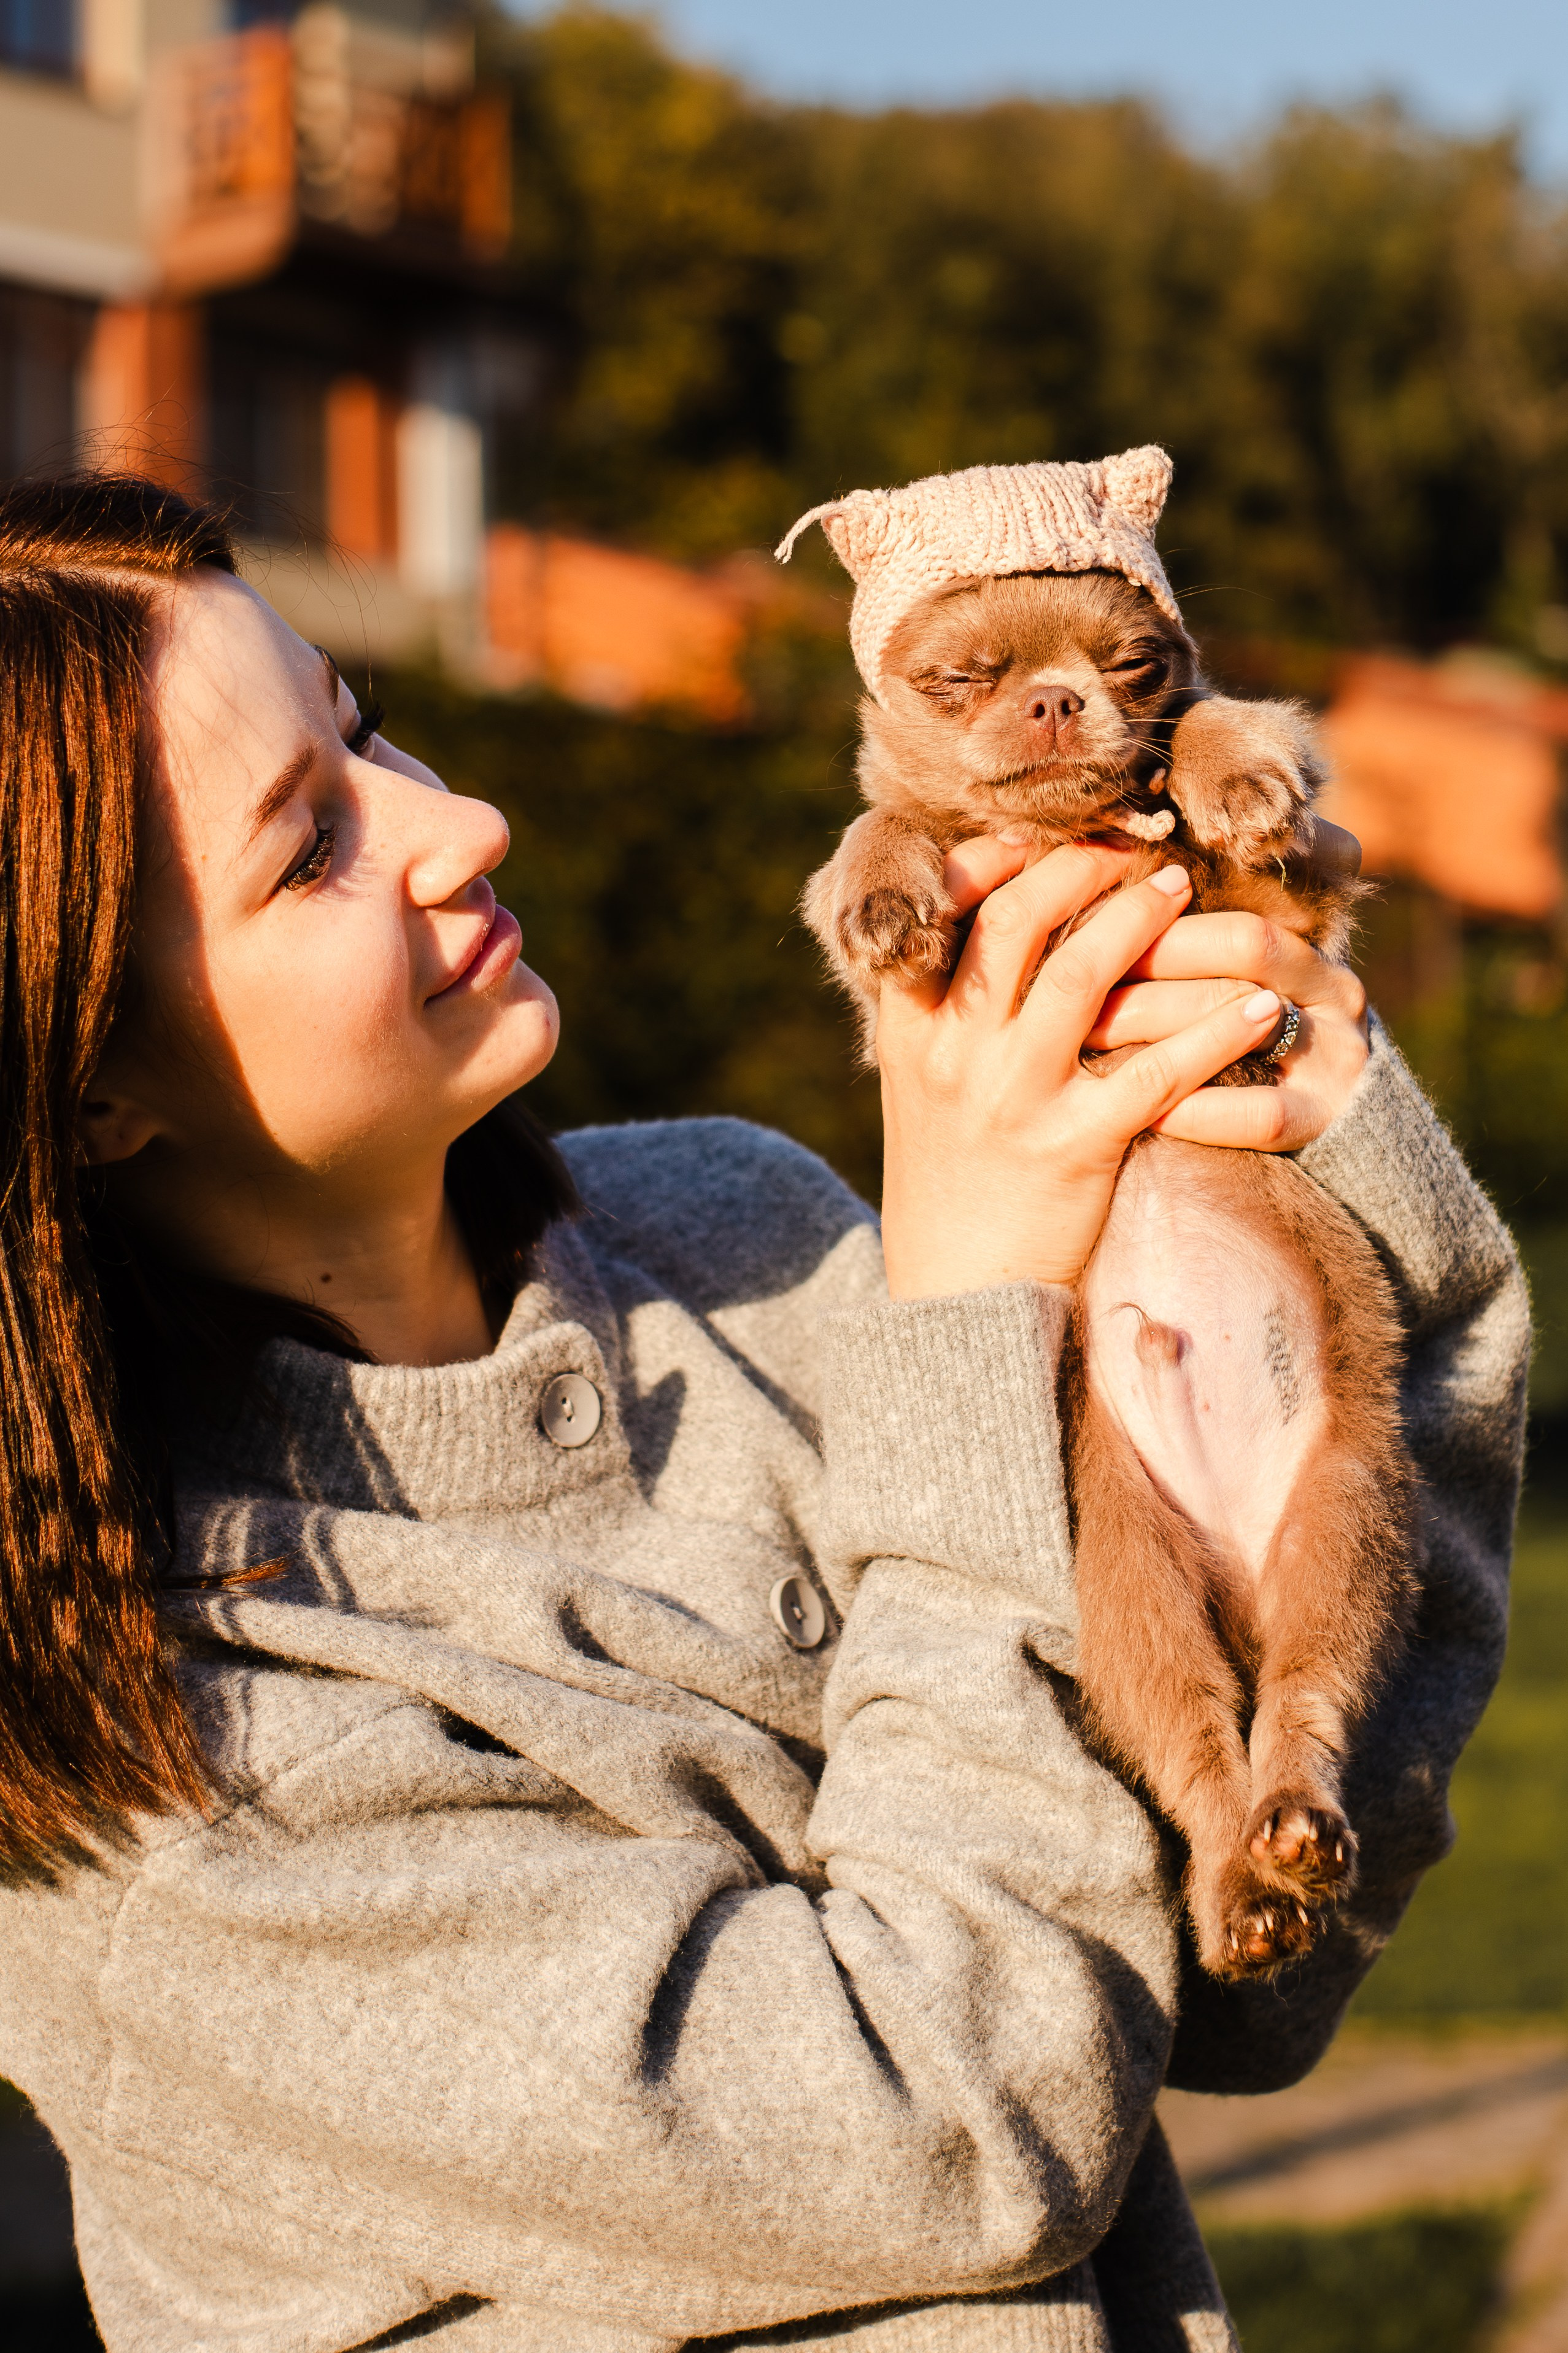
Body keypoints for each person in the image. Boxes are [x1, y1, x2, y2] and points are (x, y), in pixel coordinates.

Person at [0, 475, 1526, 2353]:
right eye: (306, 845)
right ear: (84, 1087)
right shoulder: (149, 1776)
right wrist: (970, 1311)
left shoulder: (742, 1231)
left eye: (367, 725)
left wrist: (1336, 1149)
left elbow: (1242, 1986)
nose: (462, 817)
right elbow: (961, 2127)